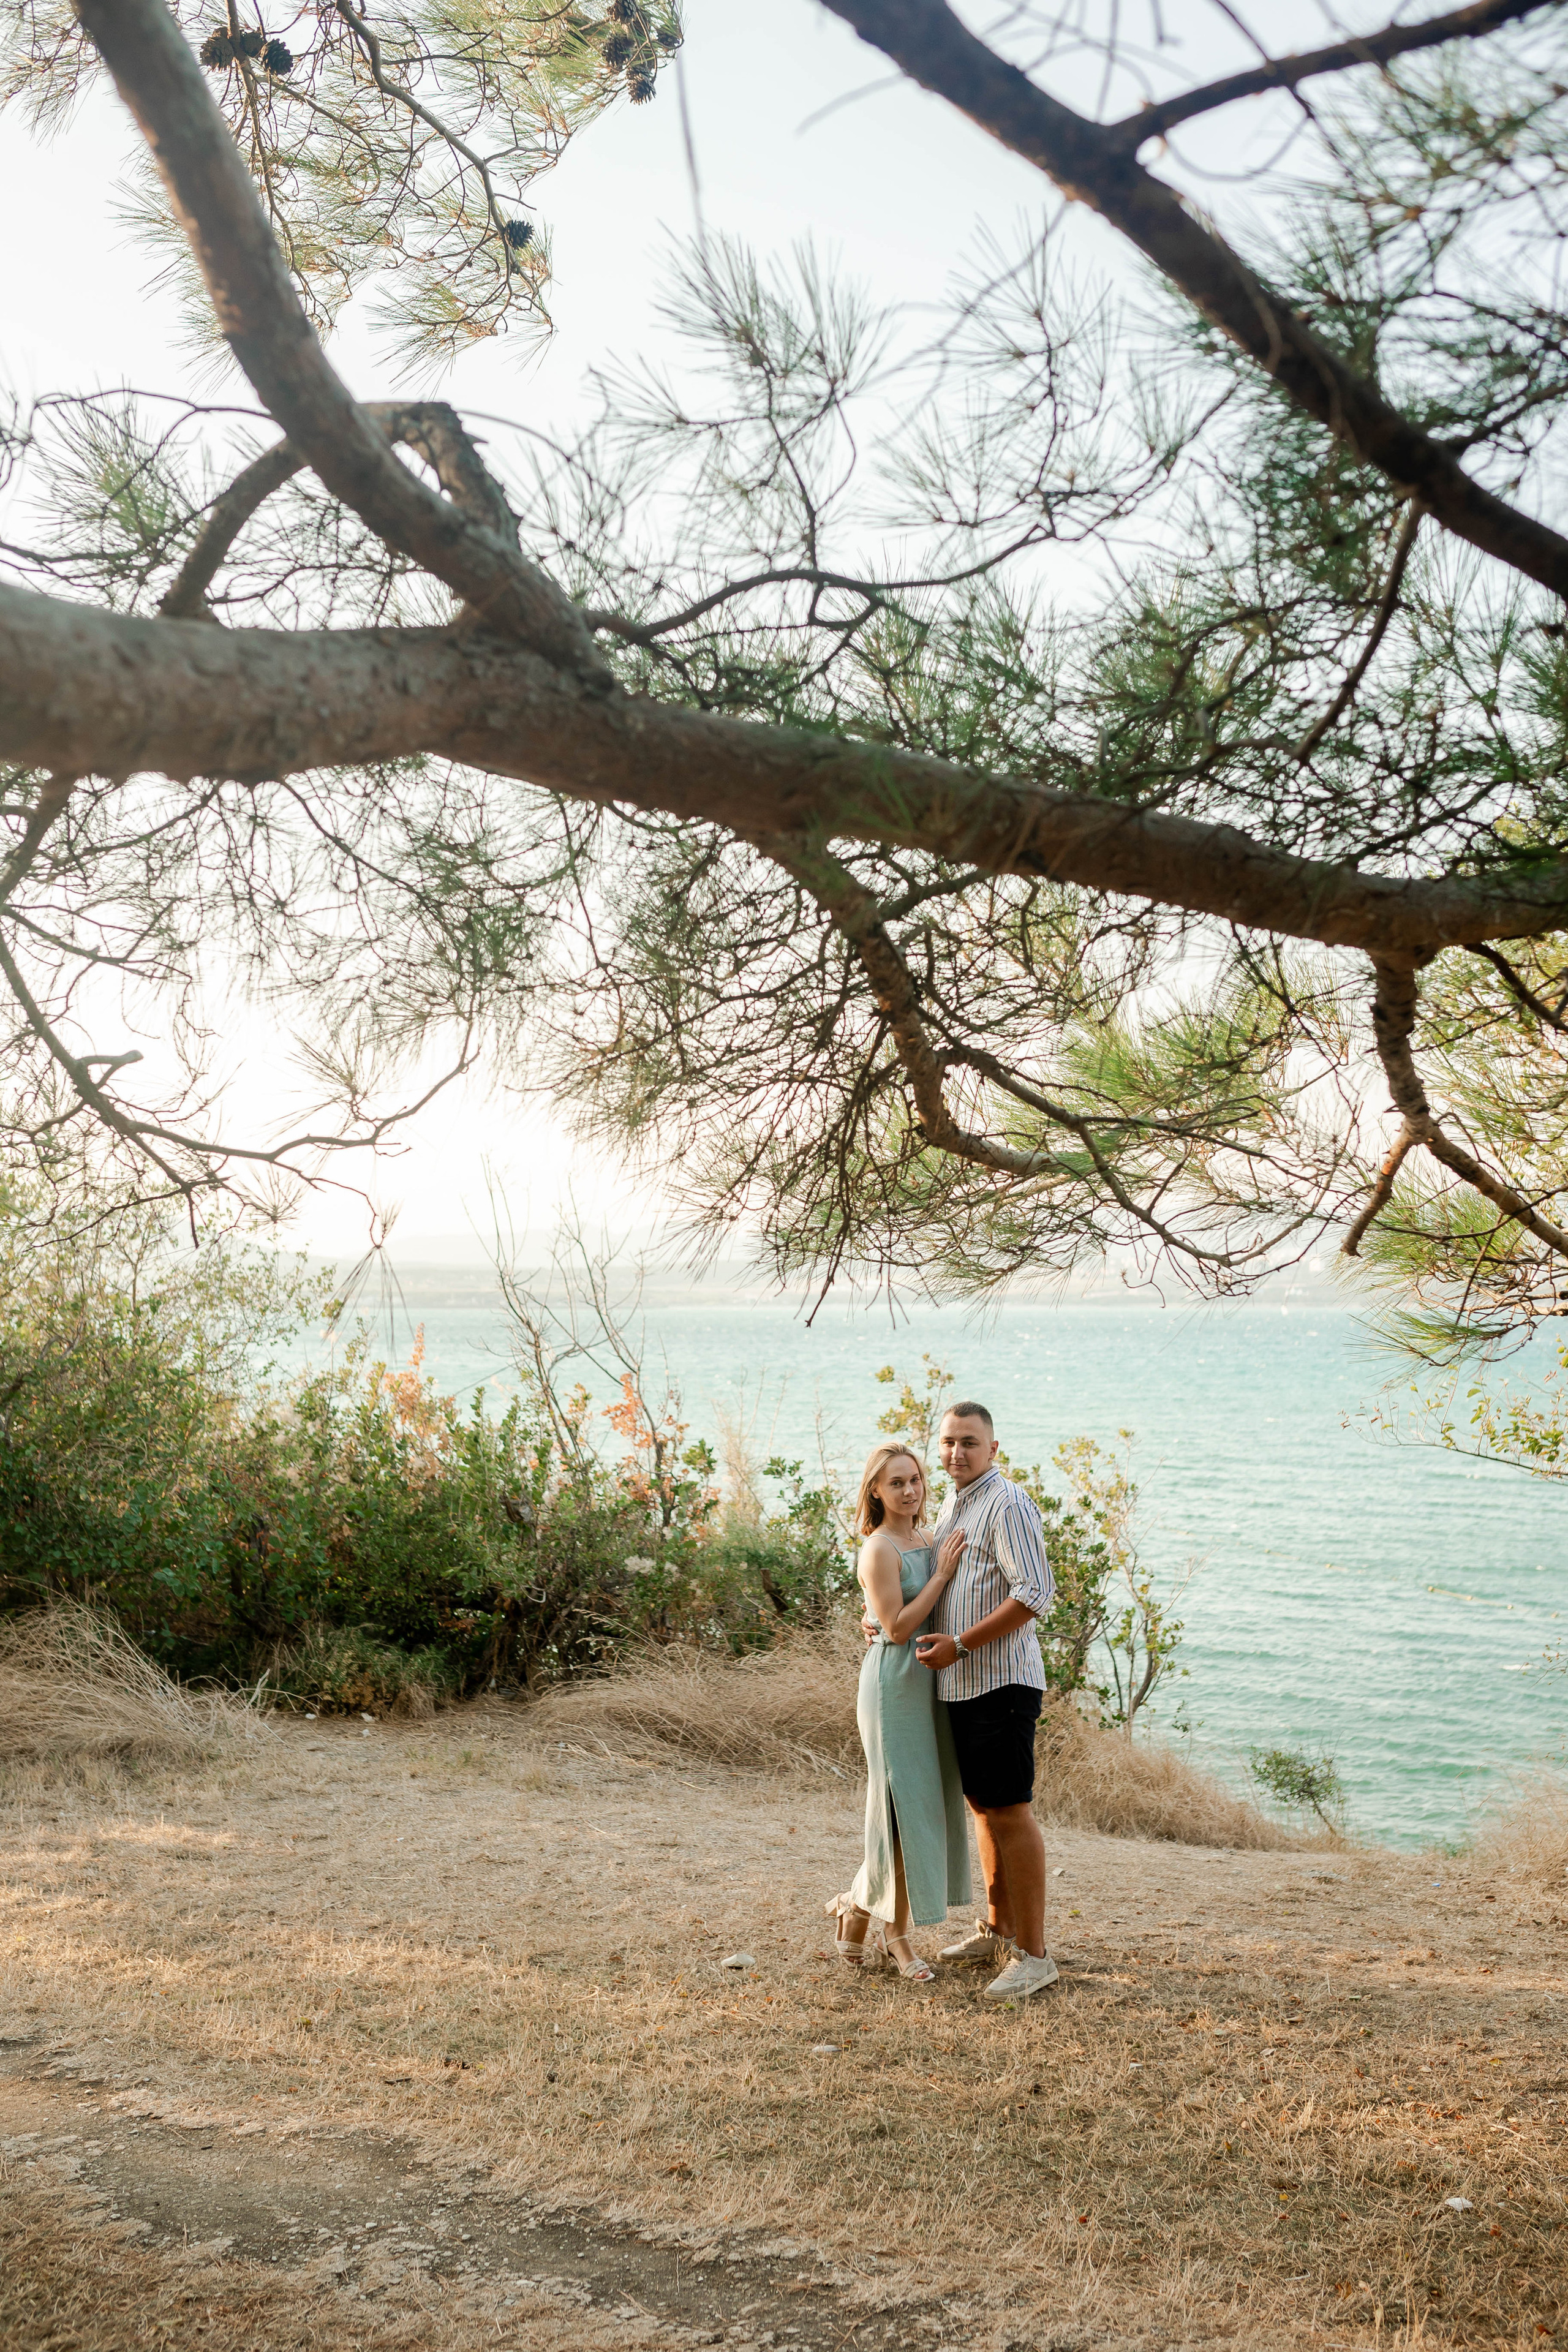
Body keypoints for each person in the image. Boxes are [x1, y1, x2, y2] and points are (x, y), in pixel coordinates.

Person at [900, 1401, 1060, 2000]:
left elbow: (1035, 1594)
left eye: (968, 1442)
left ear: (993, 1449)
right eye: (946, 1442)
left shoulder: (1007, 1502)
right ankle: (997, 1931)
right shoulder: (952, 1504)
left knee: (1010, 1811)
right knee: (983, 1808)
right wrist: (887, 1622)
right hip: (961, 1684)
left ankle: (1035, 1955)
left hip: (1001, 1684)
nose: (955, 1453)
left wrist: (962, 1645)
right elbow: (943, 1587)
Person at [827, 1442, 973, 1981]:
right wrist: (941, 1575)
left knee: (920, 1810)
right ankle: (896, 1937)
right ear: (875, 1491)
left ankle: (856, 1906)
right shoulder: (879, 1548)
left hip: (932, 1686)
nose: (909, 1491)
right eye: (896, 1483)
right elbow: (893, 1628)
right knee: (898, 1814)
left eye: (914, 1480)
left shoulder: (932, 1538)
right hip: (893, 1686)